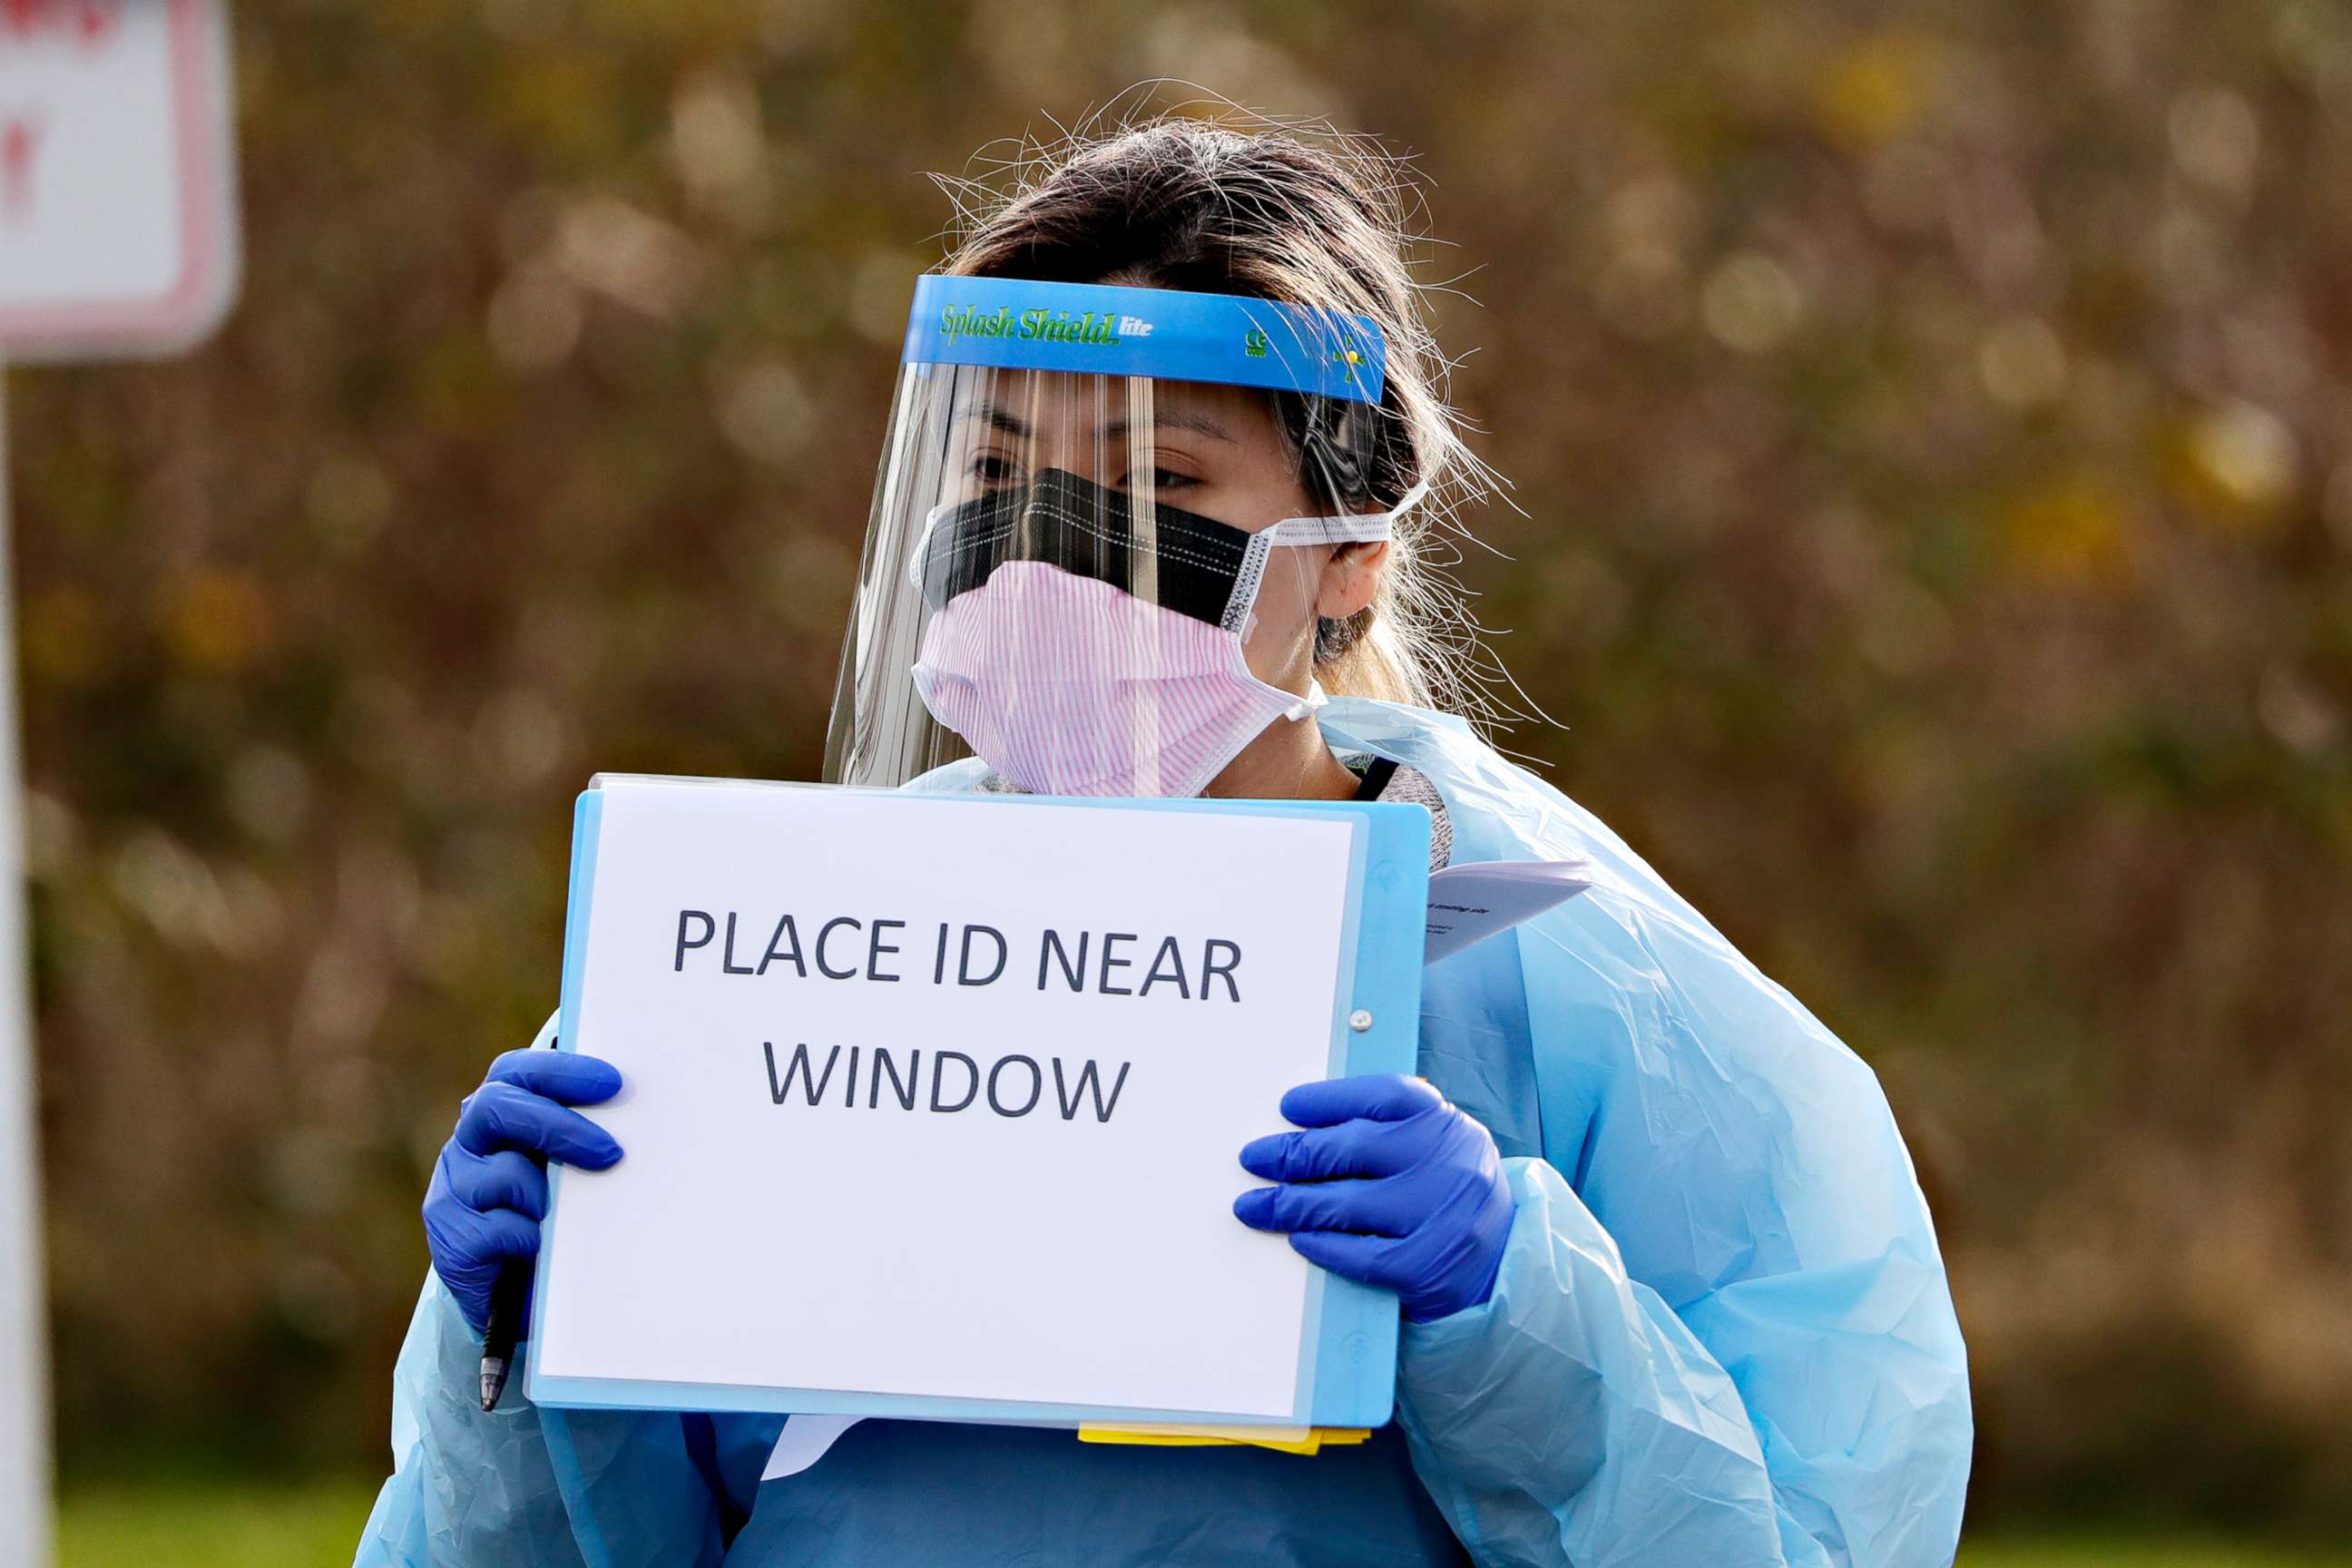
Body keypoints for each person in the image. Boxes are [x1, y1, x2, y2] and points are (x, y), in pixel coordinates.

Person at [356, 115, 1973, 1568]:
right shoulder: (791, 955)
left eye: (1157, 480)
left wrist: (1508, 1307)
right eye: (990, 471)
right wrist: (510, 1331)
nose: (1049, 543)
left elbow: (1799, 1532)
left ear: (1350, 556)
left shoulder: (1583, 993)